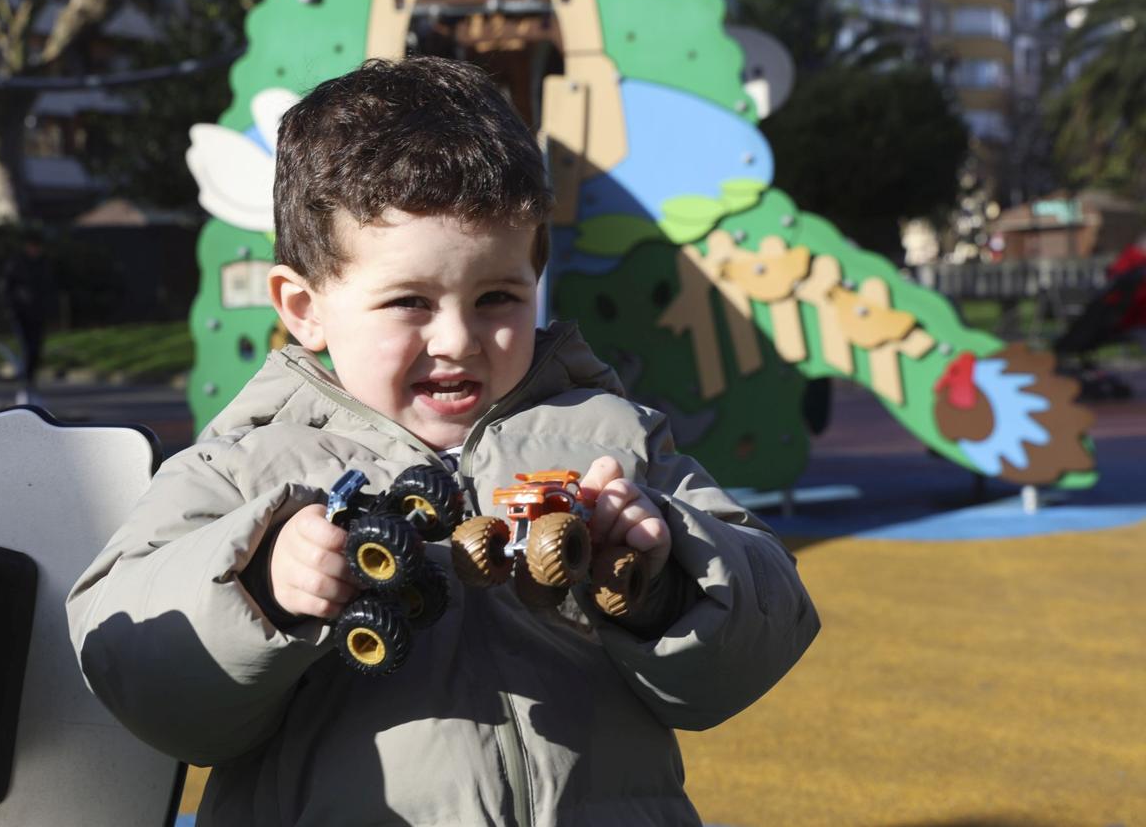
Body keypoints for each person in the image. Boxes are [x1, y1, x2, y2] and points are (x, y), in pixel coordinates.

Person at [67, 57, 819, 826]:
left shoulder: (611, 437)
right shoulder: (246, 468)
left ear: (538, 279)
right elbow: (132, 665)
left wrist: (662, 581)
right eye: (409, 302)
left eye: (496, 296)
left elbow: (766, 628)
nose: (458, 339)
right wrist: (261, 584)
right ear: (304, 307)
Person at [0, 229, 57, 403]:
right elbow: (6, 288)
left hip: (37, 313)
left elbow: (48, 287)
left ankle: (30, 381)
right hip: (21, 313)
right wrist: (13, 306)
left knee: (35, 348)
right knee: (26, 348)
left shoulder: (42, 264)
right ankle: (25, 383)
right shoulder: (16, 264)